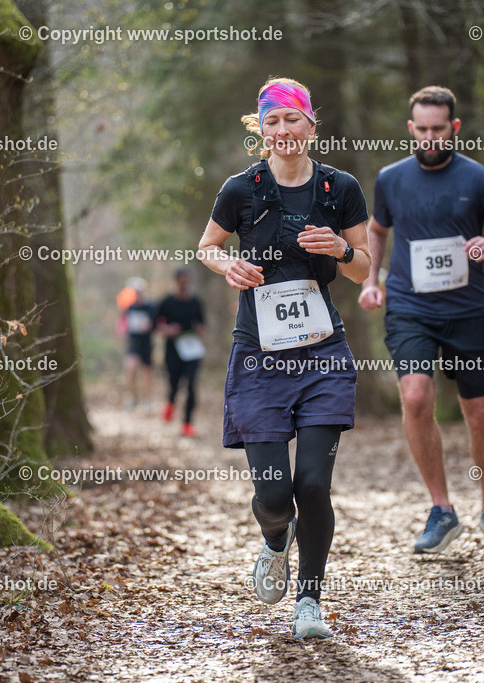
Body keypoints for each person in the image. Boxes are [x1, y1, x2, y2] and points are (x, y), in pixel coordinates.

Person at [198, 77, 371, 639]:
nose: (282, 129)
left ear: (311, 125)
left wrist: (341, 249)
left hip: (322, 355)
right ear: (261, 129)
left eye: (292, 118)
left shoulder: (339, 187)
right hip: (259, 356)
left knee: (313, 485)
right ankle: (276, 539)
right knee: (274, 494)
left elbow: (364, 267)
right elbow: (207, 247)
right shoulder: (240, 189)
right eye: (271, 121)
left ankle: (310, 602)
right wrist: (227, 266)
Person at [358, 86, 484, 552]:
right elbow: (377, 229)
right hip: (410, 308)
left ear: (454, 128)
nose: (430, 137)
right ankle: (442, 509)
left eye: (439, 128)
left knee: (481, 412)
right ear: (411, 129)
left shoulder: (479, 178)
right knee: (416, 396)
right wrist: (371, 281)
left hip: (468, 310)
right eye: (422, 129)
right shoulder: (391, 178)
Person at [156, 267, 206, 437]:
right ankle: (170, 402)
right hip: (173, 350)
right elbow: (156, 323)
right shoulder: (167, 302)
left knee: (191, 385)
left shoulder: (195, 302)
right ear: (176, 281)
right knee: (174, 384)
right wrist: (167, 329)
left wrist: (200, 329)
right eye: (181, 281)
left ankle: (187, 424)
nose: (184, 284)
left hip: (192, 350)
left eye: (187, 281)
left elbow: (202, 322)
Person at [120, 277, 155, 410]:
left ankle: (148, 400)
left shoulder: (150, 306)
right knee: (130, 368)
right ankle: (132, 398)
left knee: (147, 371)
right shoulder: (128, 307)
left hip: (146, 342)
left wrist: (149, 326)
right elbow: (122, 324)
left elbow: (155, 323)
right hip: (133, 342)